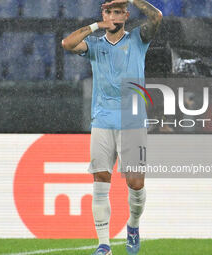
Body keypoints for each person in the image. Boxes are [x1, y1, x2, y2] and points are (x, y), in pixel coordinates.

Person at [62, 0, 162, 254]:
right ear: (103, 14)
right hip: (103, 120)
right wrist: (96, 26)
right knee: (100, 181)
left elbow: (157, 17)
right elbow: (67, 44)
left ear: (127, 15)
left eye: (119, 11)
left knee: (136, 184)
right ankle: (104, 244)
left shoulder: (138, 38)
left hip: (132, 120)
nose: (114, 16)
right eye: (109, 11)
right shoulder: (95, 45)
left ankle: (133, 225)